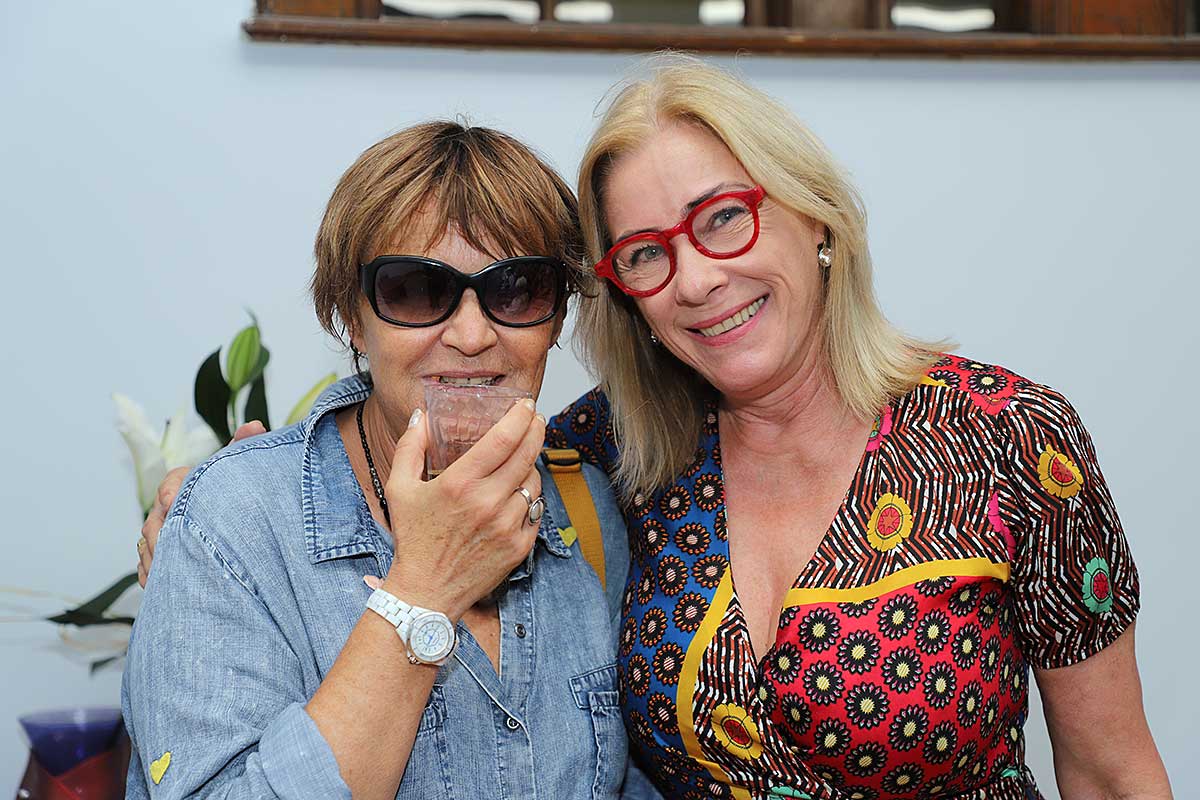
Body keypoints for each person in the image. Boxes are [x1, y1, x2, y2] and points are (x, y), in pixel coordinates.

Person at [543, 57, 1172, 800]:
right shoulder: (610, 450)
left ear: (814, 215)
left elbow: (1111, 773)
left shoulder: (1009, 436)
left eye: (724, 218)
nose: (697, 280)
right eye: (646, 253)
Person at [123, 121, 648, 800]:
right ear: (351, 315)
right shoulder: (237, 524)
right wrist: (423, 589)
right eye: (416, 289)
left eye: (517, 288)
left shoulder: (591, 508)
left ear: (555, 319)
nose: (472, 335)